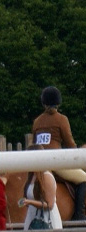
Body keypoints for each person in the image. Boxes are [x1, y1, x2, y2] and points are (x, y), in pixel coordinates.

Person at [31, 85, 86, 220]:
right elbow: (69, 143)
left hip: (38, 162)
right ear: (58, 102)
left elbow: (34, 144)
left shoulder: (37, 121)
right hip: (56, 162)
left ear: (44, 103)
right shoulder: (61, 119)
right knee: (84, 179)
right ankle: (79, 215)